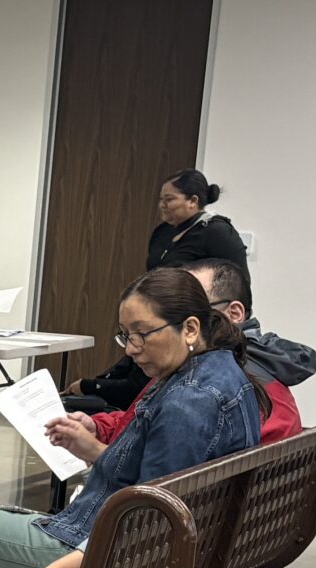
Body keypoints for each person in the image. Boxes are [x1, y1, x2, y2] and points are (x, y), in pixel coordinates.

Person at [0, 268, 265, 568]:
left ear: (189, 328)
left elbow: (149, 518)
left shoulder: (189, 402)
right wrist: (92, 451)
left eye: (143, 334)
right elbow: (155, 484)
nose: (133, 349)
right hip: (151, 565)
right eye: (126, 336)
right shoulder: (217, 373)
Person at [73, 257, 311, 454]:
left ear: (235, 312)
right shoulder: (226, 366)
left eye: (193, 307)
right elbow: (143, 422)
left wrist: (97, 452)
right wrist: (98, 426)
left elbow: (161, 481)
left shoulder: (213, 385)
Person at [77, 170, 249, 411]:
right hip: (158, 314)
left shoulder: (217, 231)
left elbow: (238, 283)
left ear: (193, 201)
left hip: (186, 323)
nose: (162, 205)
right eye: (161, 199)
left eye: (169, 199)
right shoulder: (162, 233)